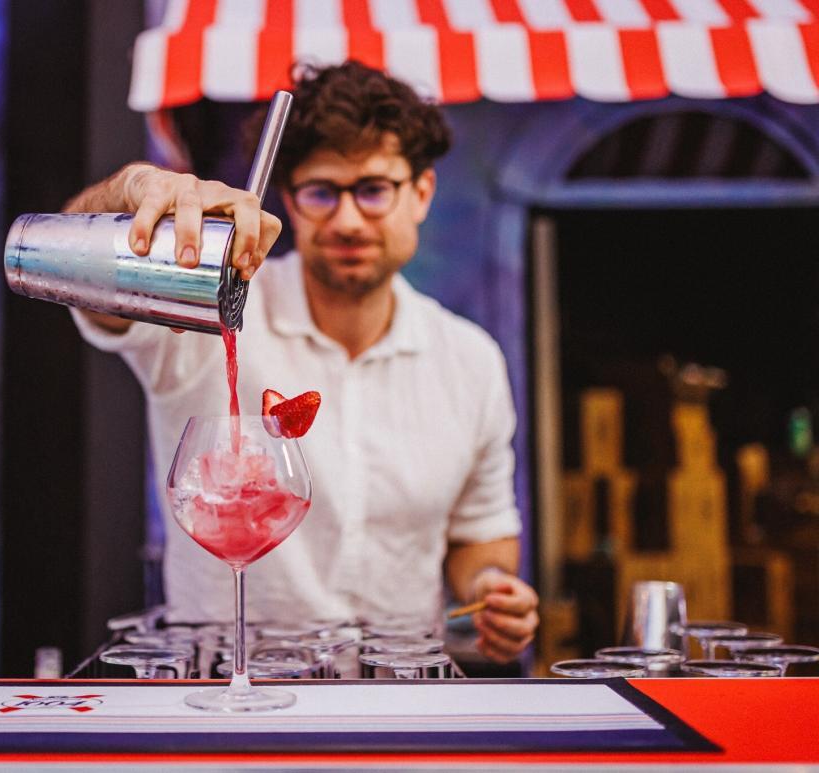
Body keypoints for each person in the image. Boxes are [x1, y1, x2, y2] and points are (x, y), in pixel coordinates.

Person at [67, 61, 538, 663]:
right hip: (226, 690)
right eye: (321, 192)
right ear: (288, 199)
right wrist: (131, 190)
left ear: (420, 193)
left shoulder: (470, 359)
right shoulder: (214, 309)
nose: (346, 220)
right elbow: (86, 287)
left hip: (397, 699)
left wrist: (490, 590)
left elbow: (482, 533)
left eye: (373, 189)